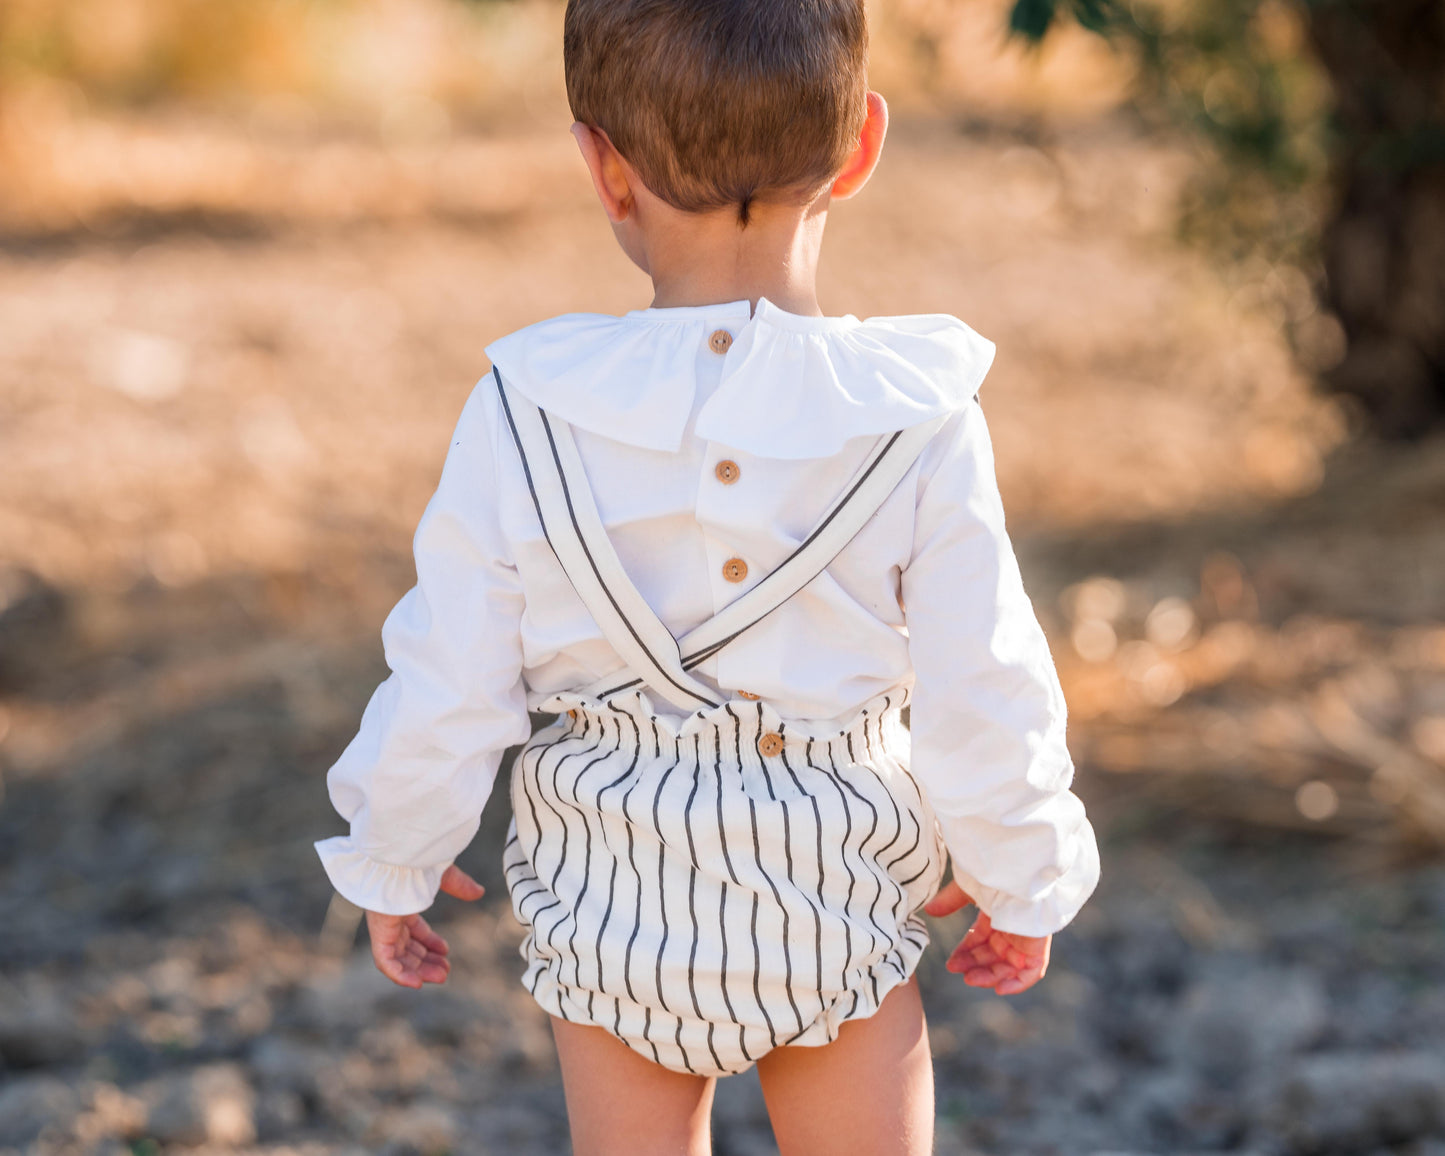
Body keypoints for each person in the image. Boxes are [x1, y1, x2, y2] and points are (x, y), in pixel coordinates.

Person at [313, 0, 1101, 1152]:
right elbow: (982, 671)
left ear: (603, 168)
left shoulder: (527, 409)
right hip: (829, 888)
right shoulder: (912, 418)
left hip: (608, 895)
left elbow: (450, 665)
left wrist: (396, 852)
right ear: (861, 149)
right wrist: (1018, 868)